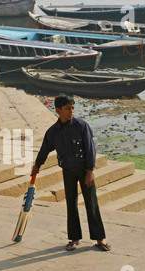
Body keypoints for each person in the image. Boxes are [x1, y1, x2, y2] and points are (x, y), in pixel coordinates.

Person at [31, 95, 111, 252]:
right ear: (58, 110)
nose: (71, 111)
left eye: (73, 108)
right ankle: (74, 238)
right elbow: (45, 149)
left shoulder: (82, 126)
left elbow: (90, 150)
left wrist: (90, 172)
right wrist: (37, 166)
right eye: (68, 108)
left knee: (92, 204)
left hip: (84, 171)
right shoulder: (53, 131)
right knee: (71, 204)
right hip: (68, 171)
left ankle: (99, 239)